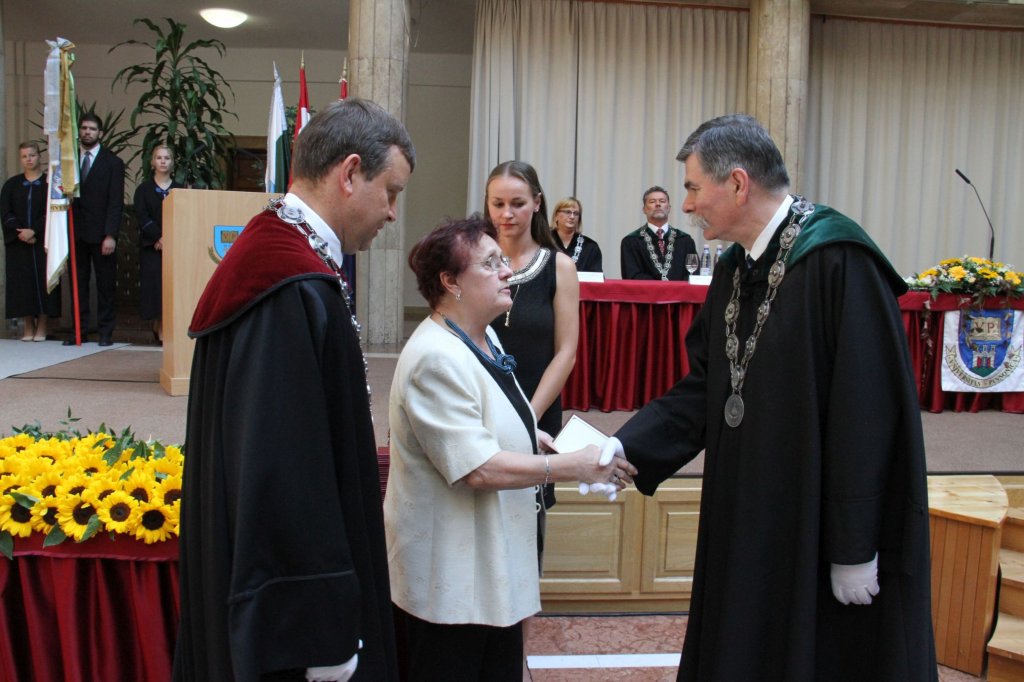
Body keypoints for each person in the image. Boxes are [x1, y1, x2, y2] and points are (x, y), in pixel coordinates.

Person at [606, 114, 936, 681]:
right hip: (749, 512)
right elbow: (708, 388)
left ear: (737, 183)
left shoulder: (839, 259)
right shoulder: (736, 266)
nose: (687, 205)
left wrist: (854, 545)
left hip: (818, 524)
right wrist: (623, 447)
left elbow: (868, 414)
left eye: (693, 187)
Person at [173, 98, 415, 682]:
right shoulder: (288, 285)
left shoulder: (284, 258)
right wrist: (319, 632)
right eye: (391, 192)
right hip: (293, 635)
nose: (391, 214)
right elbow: (283, 474)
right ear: (350, 173)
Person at [385, 216, 634, 681]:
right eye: (490, 263)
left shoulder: (483, 335)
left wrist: (530, 435)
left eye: (503, 260)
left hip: (488, 571)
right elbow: (476, 468)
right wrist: (569, 466)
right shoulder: (436, 358)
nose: (507, 271)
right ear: (450, 282)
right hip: (452, 585)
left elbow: (489, 417)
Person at [65, 112, 125, 346]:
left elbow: (115, 201)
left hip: (102, 234)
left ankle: (105, 332)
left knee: (105, 285)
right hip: (76, 233)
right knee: (77, 284)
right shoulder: (69, 161)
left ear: (100, 133)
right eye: (84, 128)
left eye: (92, 129)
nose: (87, 132)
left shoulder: (113, 163)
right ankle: (78, 331)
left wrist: (111, 234)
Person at [2, 142, 59, 341]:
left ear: (39, 156)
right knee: (22, 283)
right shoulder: (11, 185)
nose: (29, 159)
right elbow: (6, 212)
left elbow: (52, 211)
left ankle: (42, 325)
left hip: (42, 240)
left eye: (32, 155)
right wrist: (21, 232)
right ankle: (28, 325)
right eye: (25, 156)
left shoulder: (49, 184)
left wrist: (34, 230)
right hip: (19, 242)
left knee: (44, 282)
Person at [133, 144, 183, 344]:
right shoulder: (143, 190)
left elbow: (182, 215)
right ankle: (158, 325)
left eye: (167, 158)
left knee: (171, 288)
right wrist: (159, 237)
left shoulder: (179, 189)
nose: (163, 161)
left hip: (175, 247)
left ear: (172, 163)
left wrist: (169, 238)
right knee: (155, 289)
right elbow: (142, 217)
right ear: (153, 162)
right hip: (152, 247)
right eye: (159, 157)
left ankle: (166, 328)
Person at [620, 185, 697, 280]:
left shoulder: (685, 240)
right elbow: (631, 275)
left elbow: (694, 273)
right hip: (646, 290)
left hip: (680, 289)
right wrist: (660, 286)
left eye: (662, 201)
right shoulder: (631, 241)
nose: (658, 204)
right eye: (652, 201)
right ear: (644, 209)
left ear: (669, 208)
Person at [550, 197, 602, 273]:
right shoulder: (542, 242)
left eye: (576, 213)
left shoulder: (590, 247)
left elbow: (596, 277)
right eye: (568, 212)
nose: (572, 217)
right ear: (556, 216)